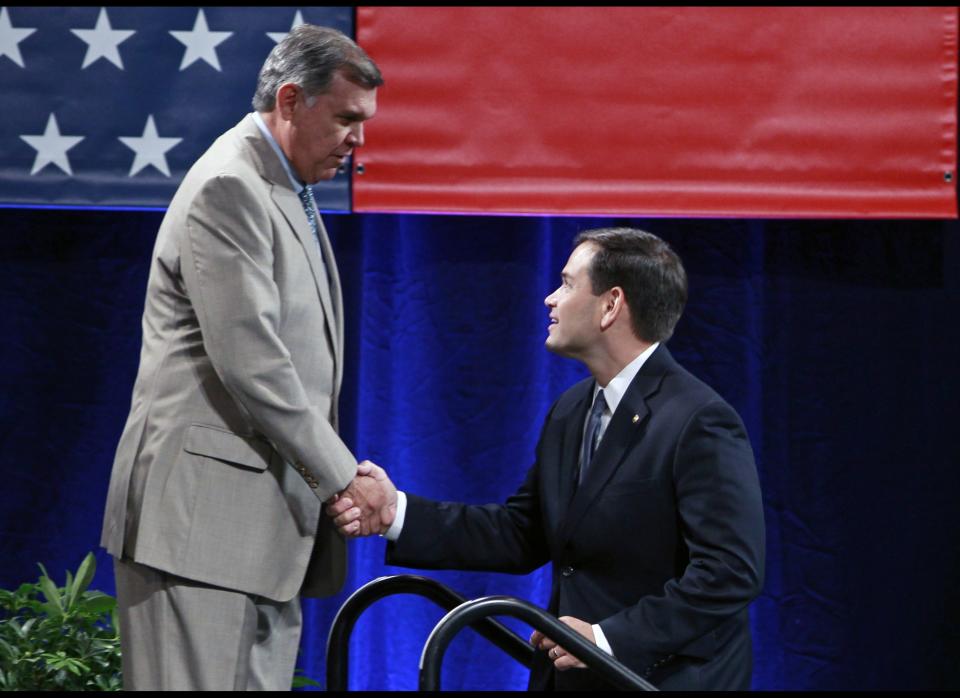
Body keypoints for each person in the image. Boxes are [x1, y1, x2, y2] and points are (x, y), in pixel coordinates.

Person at [328, 228, 766, 690]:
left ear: (611, 304)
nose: (550, 299)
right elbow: (522, 533)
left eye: (567, 283)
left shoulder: (698, 420)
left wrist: (607, 638)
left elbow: (730, 573)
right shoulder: (571, 409)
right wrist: (397, 512)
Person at [100, 25, 389, 690]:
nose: (358, 141)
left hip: (257, 534)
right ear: (291, 100)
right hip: (199, 531)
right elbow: (253, 364)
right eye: (347, 119)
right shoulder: (229, 186)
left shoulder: (284, 185)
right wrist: (346, 479)